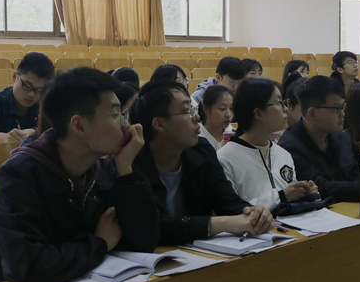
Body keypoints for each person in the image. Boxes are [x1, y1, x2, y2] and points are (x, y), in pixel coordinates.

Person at [0, 68, 160, 282]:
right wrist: (99, 244)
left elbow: (144, 242)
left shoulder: (105, 171)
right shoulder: (18, 176)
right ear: (79, 125)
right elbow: (28, 269)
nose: (127, 126)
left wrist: (126, 170)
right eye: (116, 115)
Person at [131, 80, 273, 245]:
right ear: (160, 124)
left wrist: (252, 213)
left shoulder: (201, 151)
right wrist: (223, 223)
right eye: (187, 111)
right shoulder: (131, 164)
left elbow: (226, 199)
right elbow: (151, 226)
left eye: (194, 110)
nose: (197, 117)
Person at [278, 76, 360, 203]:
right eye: (337, 108)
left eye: (343, 107)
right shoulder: (290, 147)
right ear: (312, 113)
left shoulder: (340, 136)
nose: (343, 114)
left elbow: (354, 177)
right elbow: (320, 187)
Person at [217, 78, 317, 211]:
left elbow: (290, 198)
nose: (285, 109)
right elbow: (231, 210)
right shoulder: (224, 159)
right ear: (258, 113)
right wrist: (281, 196)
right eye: (279, 103)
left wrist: (305, 192)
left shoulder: (284, 154)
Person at [198, 85, 234, 151]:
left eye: (231, 108)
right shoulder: (195, 137)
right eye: (222, 109)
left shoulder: (234, 135)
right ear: (206, 109)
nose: (228, 114)